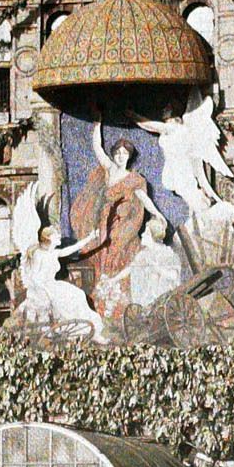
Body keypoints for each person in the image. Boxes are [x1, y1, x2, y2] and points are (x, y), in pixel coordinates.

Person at [70, 127, 170, 323]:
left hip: (125, 228)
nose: (122, 156)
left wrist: (158, 214)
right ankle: (102, 309)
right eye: (118, 153)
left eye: (125, 153)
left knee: (122, 262)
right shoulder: (109, 171)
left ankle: (122, 312)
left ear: (129, 157)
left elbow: (145, 199)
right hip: (106, 227)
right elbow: (97, 147)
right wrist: (97, 122)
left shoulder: (134, 179)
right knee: (103, 264)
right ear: (114, 155)